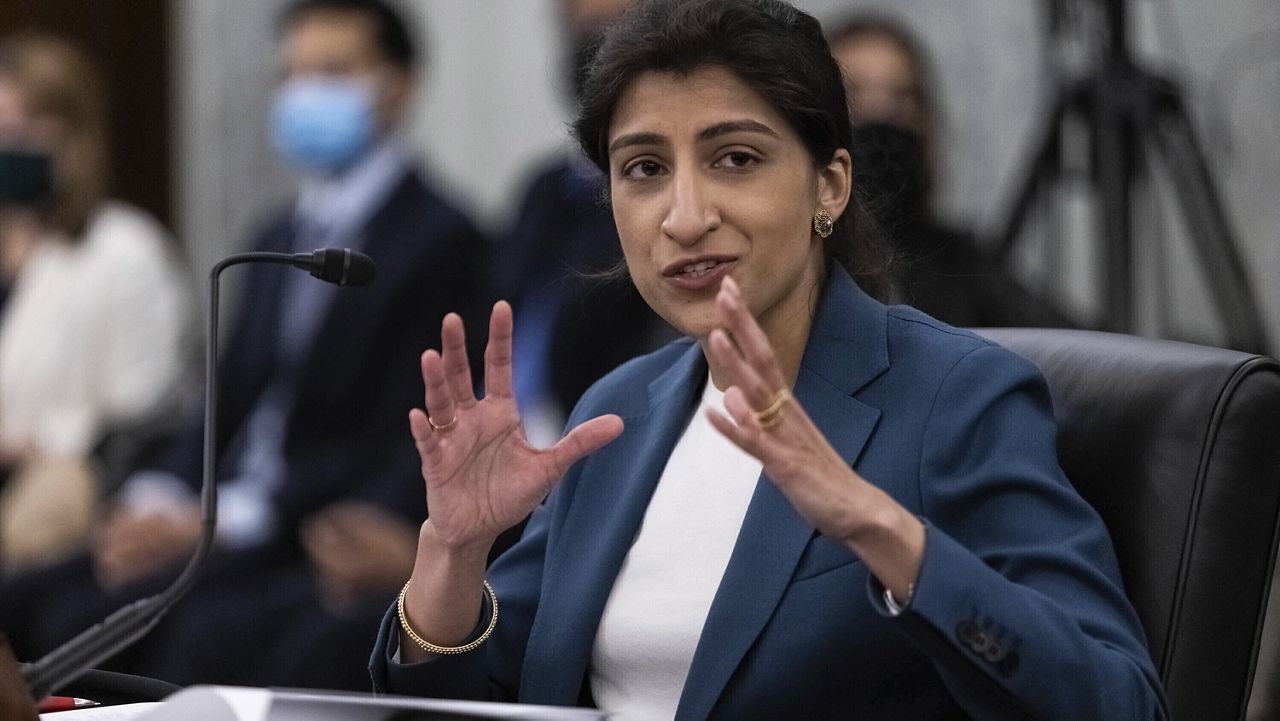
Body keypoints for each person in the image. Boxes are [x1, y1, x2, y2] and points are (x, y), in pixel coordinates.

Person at [370, 1, 1168, 719]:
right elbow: (482, 696)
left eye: (736, 159)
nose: (684, 217)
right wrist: (454, 552)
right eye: (644, 169)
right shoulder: (618, 411)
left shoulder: (957, 395)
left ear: (830, 186)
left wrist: (878, 526)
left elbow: (1118, 699)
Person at [0, 0, 487, 691]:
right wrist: (157, 493)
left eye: (333, 71)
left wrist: (219, 521)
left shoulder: (443, 239)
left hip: (296, 531)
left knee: (116, 629)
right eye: (292, 75)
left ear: (399, 83)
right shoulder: (278, 227)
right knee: (20, 600)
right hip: (211, 514)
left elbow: (400, 434)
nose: (304, 93)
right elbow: (221, 401)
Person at [0, 34, 192, 574]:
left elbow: (145, 410)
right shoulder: (14, 248)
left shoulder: (125, 249)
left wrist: (31, 443)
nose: (7, 146)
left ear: (74, 135)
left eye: (22, 130)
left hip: (76, 487)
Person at [496, 0, 674, 444]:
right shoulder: (543, 190)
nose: (597, 44)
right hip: (507, 453)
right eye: (583, 28)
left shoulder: (679, 201)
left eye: (618, 24)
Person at [828, 14, 1077, 329]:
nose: (881, 115)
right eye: (853, 97)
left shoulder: (957, 264)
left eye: (902, 99)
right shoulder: (799, 264)